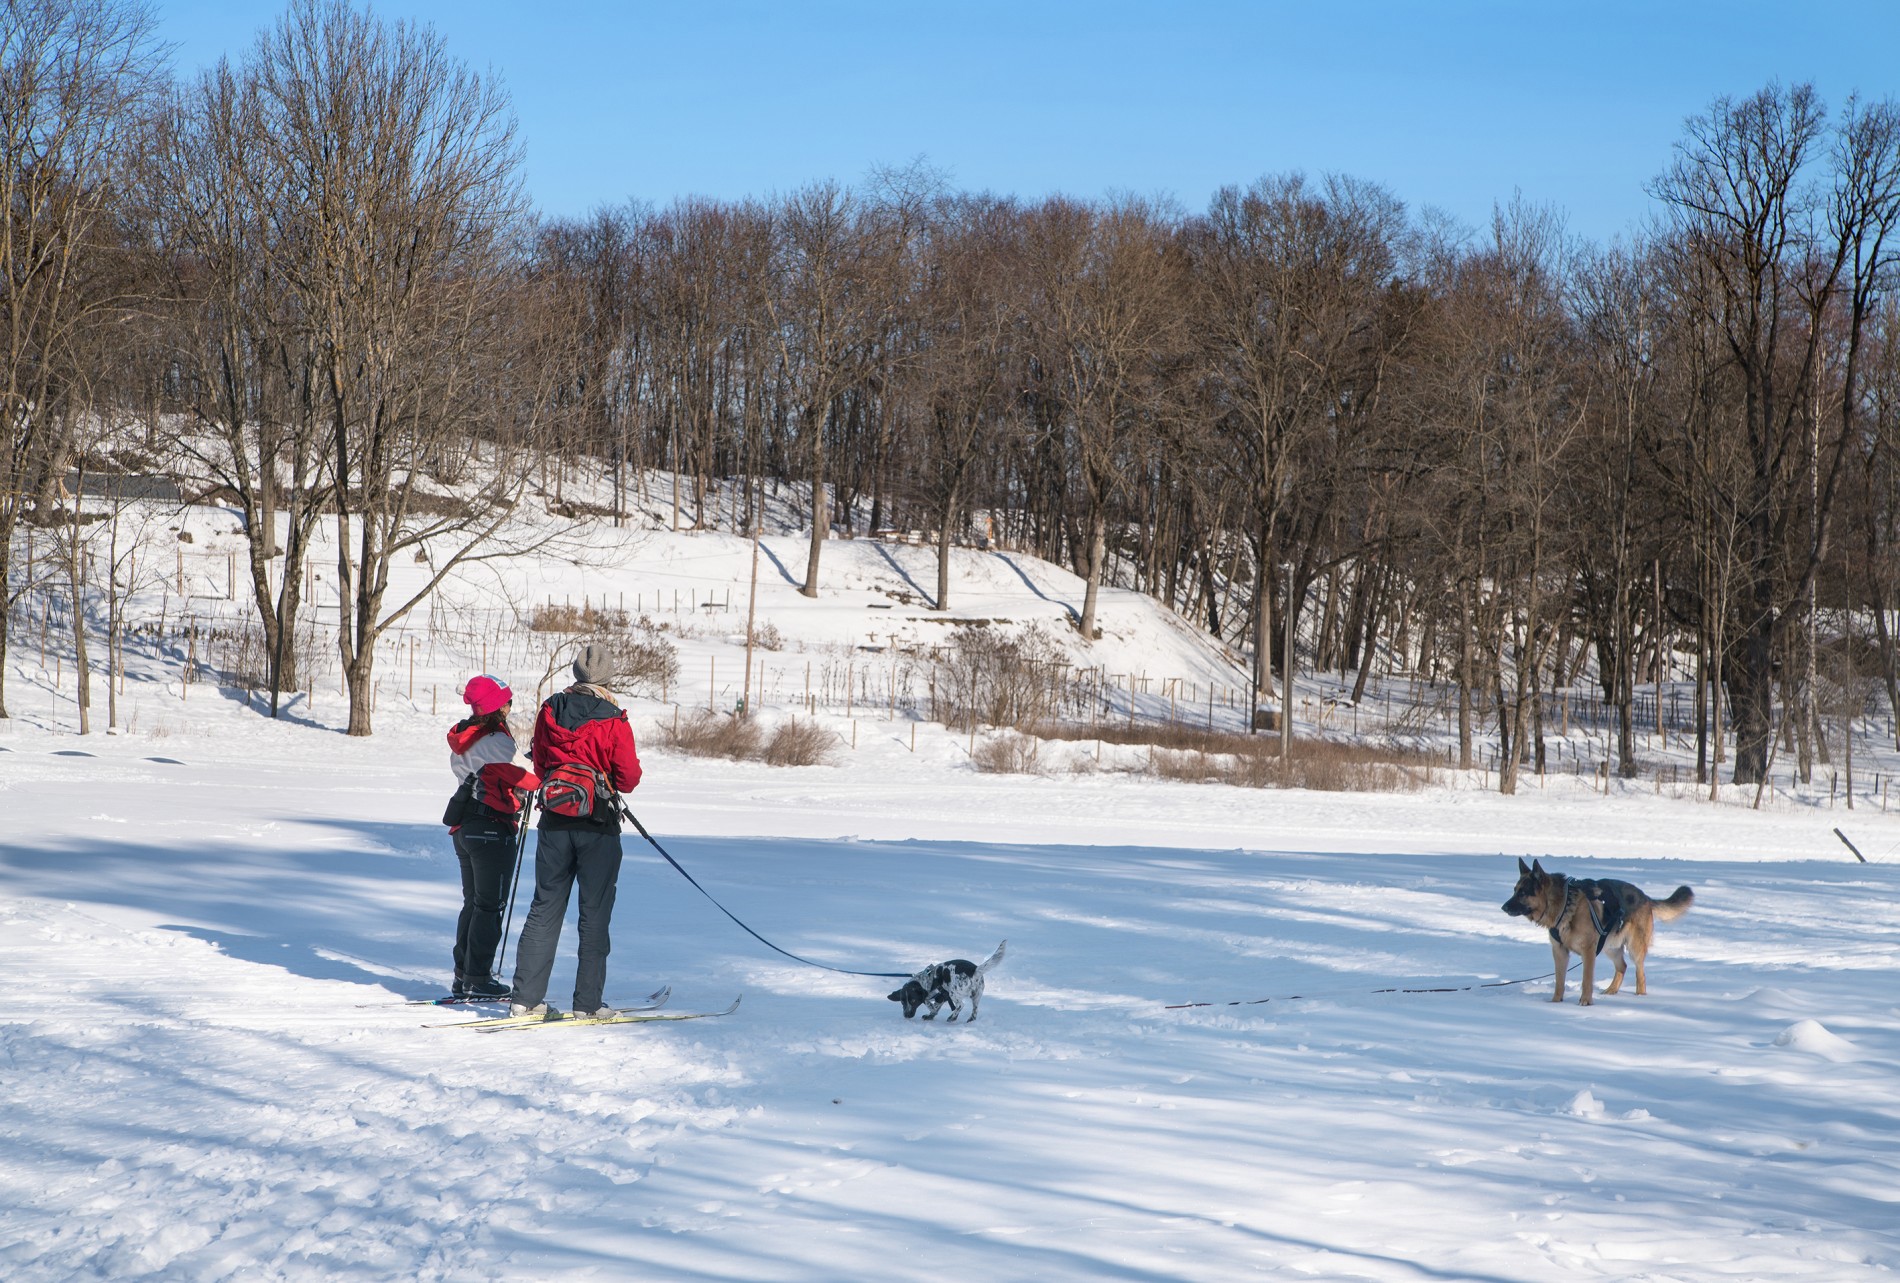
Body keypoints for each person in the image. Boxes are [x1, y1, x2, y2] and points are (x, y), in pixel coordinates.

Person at [510, 643, 643, 1018]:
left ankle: (524, 1000)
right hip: (597, 826)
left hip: (553, 822)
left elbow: (538, 756)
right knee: (594, 914)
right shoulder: (615, 719)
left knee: (544, 908)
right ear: (607, 676)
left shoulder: (550, 709)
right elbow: (628, 778)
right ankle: (587, 1005)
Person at [445, 675, 539, 999]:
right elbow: (523, 777)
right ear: (499, 707)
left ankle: (463, 976)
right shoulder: (498, 739)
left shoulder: (466, 737)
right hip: (491, 829)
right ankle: (478, 978)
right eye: (507, 700)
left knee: (473, 904)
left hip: (465, 827)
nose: (511, 704)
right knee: (489, 907)